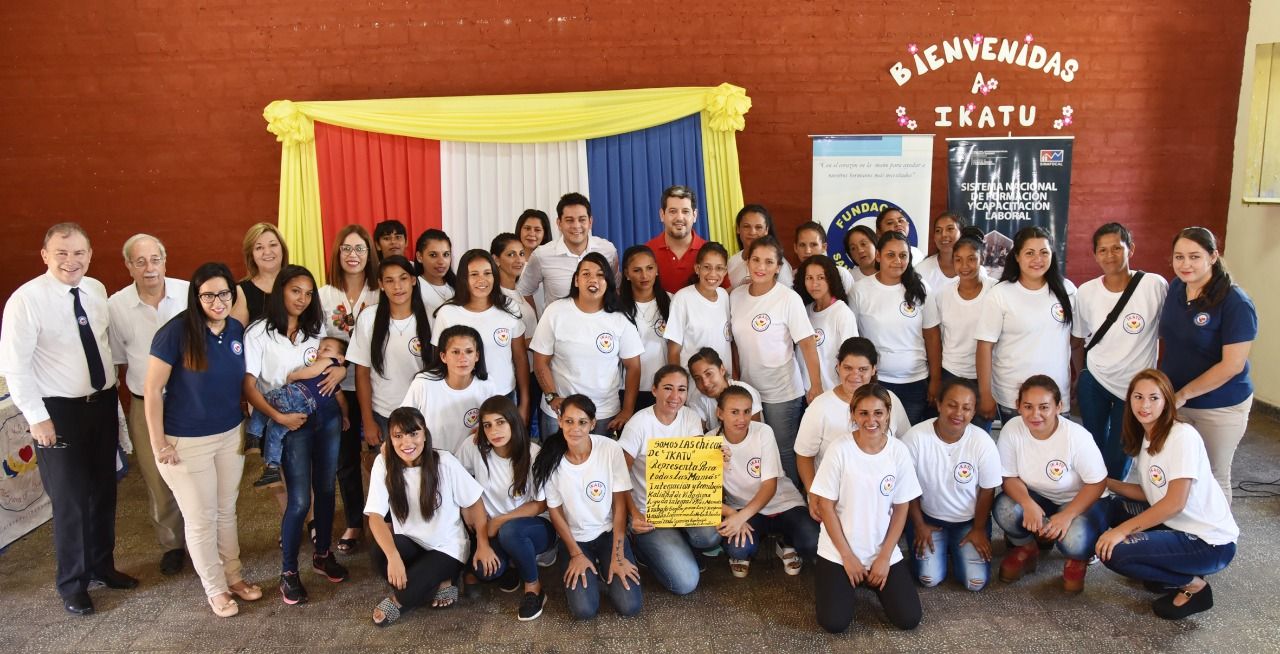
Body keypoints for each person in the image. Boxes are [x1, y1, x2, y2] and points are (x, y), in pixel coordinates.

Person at [0, 223, 137, 616]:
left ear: (90, 254)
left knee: (104, 490)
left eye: (78, 252)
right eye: (61, 253)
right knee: (72, 500)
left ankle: (102, 566)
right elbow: (15, 367)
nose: (70, 261)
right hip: (57, 412)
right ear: (44, 255)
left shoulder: (94, 290)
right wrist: (38, 418)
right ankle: (72, 583)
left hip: (101, 404)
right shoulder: (25, 300)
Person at [144, 262, 262, 617]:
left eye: (223, 293)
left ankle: (234, 578)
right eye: (208, 294)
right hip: (186, 442)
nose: (217, 301)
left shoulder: (235, 329)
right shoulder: (176, 333)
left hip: (229, 435)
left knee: (226, 511)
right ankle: (215, 589)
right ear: (196, 297)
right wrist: (158, 443)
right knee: (201, 518)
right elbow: (151, 390)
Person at [242, 265, 349, 605]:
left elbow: (337, 357)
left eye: (308, 293)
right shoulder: (259, 333)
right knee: (300, 500)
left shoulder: (314, 329)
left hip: (327, 416)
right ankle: (288, 572)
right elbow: (249, 385)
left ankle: (322, 554)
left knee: (327, 489)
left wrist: (342, 367)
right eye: (295, 291)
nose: (302, 299)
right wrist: (279, 418)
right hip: (292, 422)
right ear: (280, 292)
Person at [1096, 369, 1238, 620]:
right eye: (1138, 397)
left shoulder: (1182, 436)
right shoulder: (1146, 434)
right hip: (1177, 526)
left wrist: (1122, 530)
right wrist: (1104, 482)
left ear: (1167, 401)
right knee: (1113, 506)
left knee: (1116, 552)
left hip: (1208, 542)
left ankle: (1193, 584)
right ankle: (1164, 571)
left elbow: (1174, 502)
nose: (1145, 405)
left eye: (1154, 398)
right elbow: (1150, 492)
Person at [107, 233, 189, 575]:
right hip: (144, 403)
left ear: (165, 260)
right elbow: (116, 359)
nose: (149, 268)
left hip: (189, 401)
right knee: (157, 477)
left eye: (155, 259)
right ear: (128, 266)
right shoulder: (116, 307)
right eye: (139, 261)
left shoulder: (188, 293)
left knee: (198, 472)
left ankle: (206, 538)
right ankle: (172, 544)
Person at [810, 383, 922, 632]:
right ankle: (839, 579)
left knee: (908, 619)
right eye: (863, 413)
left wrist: (884, 557)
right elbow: (825, 507)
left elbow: (902, 508)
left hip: (881, 551)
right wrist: (848, 557)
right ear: (853, 414)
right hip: (840, 551)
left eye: (878, 413)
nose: (871, 420)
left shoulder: (898, 452)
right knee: (834, 623)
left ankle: (869, 579)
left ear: (888, 414)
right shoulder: (839, 449)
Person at [365, 407, 490, 627]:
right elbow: (374, 516)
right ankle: (434, 581)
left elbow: (474, 501)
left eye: (414, 433)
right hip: (411, 543)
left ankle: (418, 590)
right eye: (398, 436)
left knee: (406, 595)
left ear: (424, 434)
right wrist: (393, 557)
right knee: (379, 552)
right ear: (390, 439)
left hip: (447, 548)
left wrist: (482, 543)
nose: (407, 443)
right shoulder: (383, 463)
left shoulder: (444, 461)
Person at [1158, 226, 1256, 499]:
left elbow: (1232, 365)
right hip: (1176, 399)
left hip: (1219, 406)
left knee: (1213, 474)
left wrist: (1184, 394)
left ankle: (1220, 540)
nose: (1185, 264)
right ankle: (1180, 535)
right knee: (1177, 471)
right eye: (1179, 257)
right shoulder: (1177, 287)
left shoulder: (1235, 302)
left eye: (1194, 256)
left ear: (1213, 257)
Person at [992, 375, 1108, 593]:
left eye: (1044, 407)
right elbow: (1008, 477)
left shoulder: (1077, 436)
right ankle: (1027, 548)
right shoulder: (1012, 429)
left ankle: (1078, 558)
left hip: (1080, 501)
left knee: (1075, 539)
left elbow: (1097, 483)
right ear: (1018, 406)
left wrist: (1068, 515)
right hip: (1040, 497)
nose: (1035, 415)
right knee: (1005, 508)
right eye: (1028, 406)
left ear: (1059, 407)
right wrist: (1027, 503)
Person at [532, 395, 642, 619]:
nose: (575, 429)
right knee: (584, 610)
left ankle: (606, 566)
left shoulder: (610, 449)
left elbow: (620, 505)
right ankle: (591, 565)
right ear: (560, 421)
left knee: (629, 606)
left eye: (582, 422)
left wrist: (618, 556)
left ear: (593, 424)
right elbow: (555, 512)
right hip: (575, 539)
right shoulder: (550, 459)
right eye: (569, 421)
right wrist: (575, 554)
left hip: (609, 532)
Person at [1074, 223, 1167, 479]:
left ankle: (1112, 499)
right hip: (1095, 380)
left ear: (1131, 249)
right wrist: (1082, 373)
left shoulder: (1153, 285)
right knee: (1091, 447)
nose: (1109, 255)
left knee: (1122, 450)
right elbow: (1078, 340)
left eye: (1117, 248)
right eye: (1102, 250)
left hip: (1134, 387)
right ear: (1094, 255)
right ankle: (1093, 500)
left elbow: (1167, 332)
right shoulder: (1086, 292)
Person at [730, 236, 822, 488]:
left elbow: (806, 343)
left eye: (769, 262)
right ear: (747, 262)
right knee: (756, 450)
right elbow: (735, 344)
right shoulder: (735, 296)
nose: (761, 266)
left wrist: (816, 385)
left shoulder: (787, 298)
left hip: (782, 391)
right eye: (756, 260)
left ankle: (792, 505)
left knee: (783, 450)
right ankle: (767, 507)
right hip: (750, 389)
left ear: (778, 267)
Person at [453, 396, 555, 621]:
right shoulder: (473, 447)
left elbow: (541, 504)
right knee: (485, 570)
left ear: (513, 422)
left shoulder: (533, 452)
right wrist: (479, 538)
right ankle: (510, 564)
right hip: (491, 529)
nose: (494, 431)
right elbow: (453, 476)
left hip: (535, 526)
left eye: (500, 422)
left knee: (511, 531)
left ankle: (534, 588)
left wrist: (500, 520)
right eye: (487, 425)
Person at [618, 366, 718, 596]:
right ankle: (644, 548)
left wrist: (715, 457)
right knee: (686, 583)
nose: (675, 397)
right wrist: (634, 515)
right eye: (668, 388)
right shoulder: (638, 424)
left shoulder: (690, 417)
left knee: (710, 535)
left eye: (681, 389)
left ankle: (680, 541)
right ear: (654, 390)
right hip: (649, 512)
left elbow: (697, 464)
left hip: (683, 505)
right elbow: (619, 478)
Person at [901, 378, 1001, 591]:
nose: (958, 413)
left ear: (974, 412)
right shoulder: (915, 437)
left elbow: (987, 490)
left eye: (966, 408)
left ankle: (954, 548)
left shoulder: (983, 442)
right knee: (929, 579)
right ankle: (944, 548)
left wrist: (979, 528)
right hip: (928, 519)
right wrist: (919, 525)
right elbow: (906, 488)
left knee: (975, 583)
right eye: (952, 405)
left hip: (968, 522)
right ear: (939, 404)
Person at [317, 225, 380, 554]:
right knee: (344, 458)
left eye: (360, 249)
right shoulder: (325, 294)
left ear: (370, 254)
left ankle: (384, 519)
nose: (353, 255)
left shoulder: (381, 291)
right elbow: (316, 342)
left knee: (381, 458)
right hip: (336, 388)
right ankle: (354, 521)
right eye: (346, 248)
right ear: (337, 253)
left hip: (375, 386)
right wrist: (339, 360)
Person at [531, 253, 643, 438]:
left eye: (600, 275)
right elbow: (540, 361)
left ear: (608, 282)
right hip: (559, 413)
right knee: (553, 464)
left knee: (598, 465)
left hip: (603, 414)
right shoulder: (556, 311)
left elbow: (634, 367)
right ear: (576, 281)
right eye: (586, 274)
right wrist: (551, 396)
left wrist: (627, 410)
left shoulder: (620, 319)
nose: (594, 279)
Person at [975, 226, 1079, 423]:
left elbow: (1075, 341)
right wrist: (985, 394)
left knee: (1054, 453)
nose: (1037, 259)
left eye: (1044, 252)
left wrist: (1078, 379)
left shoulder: (1067, 290)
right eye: (1029, 253)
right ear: (1017, 256)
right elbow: (984, 346)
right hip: (1013, 396)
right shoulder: (1000, 294)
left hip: (1056, 395)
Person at [795, 337, 910, 514]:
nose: (855, 375)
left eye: (863, 369)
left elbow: (904, 444)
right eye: (848, 368)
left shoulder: (890, 400)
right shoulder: (820, 406)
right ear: (838, 367)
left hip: (882, 496)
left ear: (874, 369)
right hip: (836, 498)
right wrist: (813, 494)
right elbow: (804, 455)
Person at [715, 386, 819, 579]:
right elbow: (703, 494)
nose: (742, 419)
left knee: (812, 541)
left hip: (783, 502)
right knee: (738, 549)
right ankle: (751, 546)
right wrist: (733, 515)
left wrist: (740, 518)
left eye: (747, 411)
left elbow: (769, 486)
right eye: (734, 412)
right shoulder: (709, 441)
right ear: (719, 413)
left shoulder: (763, 432)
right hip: (743, 507)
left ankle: (787, 542)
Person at [432, 250, 531, 420]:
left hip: (503, 396)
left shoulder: (509, 307)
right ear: (464, 278)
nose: (481, 280)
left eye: (487, 273)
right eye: (474, 274)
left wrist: (525, 402)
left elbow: (520, 358)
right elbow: (438, 363)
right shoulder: (447, 313)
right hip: (461, 399)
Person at [850, 232, 934, 424]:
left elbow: (932, 336)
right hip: (876, 382)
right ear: (878, 256)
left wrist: (935, 379)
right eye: (890, 255)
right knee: (876, 437)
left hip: (915, 382)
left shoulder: (921, 289)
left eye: (903, 255)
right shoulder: (860, 290)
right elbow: (853, 339)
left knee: (908, 441)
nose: (897, 260)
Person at [246, 337, 350, 488]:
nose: (319, 351)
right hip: (303, 410)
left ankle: (254, 436)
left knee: (263, 402)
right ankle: (272, 469)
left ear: (340, 358)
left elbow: (311, 371)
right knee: (276, 432)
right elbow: (342, 401)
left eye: (326, 349)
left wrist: (293, 376)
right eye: (319, 348)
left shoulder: (330, 362)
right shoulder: (334, 385)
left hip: (294, 394)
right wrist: (345, 416)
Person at [349, 256, 431, 448]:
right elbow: (362, 374)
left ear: (413, 280)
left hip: (424, 412)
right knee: (389, 476)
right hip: (384, 415)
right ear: (381, 285)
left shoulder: (432, 316)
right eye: (389, 280)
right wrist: (368, 421)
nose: (397, 286)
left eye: (403, 278)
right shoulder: (368, 318)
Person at [923, 227, 995, 431]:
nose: (965, 266)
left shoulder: (996, 291)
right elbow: (937, 338)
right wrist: (936, 378)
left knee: (979, 434)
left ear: (982, 258)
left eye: (971, 259)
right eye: (958, 259)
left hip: (985, 378)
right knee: (950, 431)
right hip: (951, 373)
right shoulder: (943, 295)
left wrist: (987, 390)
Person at [401, 325, 503, 454]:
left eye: (469, 351)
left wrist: (483, 430)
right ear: (443, 357)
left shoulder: (487, 385)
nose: (463, 358)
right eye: (455, 352)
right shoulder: (423, 383)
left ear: (477, 356)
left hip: (470, 465)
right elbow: (402, 421)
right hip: (432, 461)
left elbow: (499, 421)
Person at [517, 193, 619, 311]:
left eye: (582, 220)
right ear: (559, 223)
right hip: (560, 328)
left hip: (601, 326)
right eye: (569, 220)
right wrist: (537, 322)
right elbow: (524, 291)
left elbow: (615, 288)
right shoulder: (541, 255)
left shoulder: (608, 250)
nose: (576, 226)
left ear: (590, 222)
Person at [664, 242, 733, 379]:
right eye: (707, 267)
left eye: (719, 268)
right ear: (697, 268)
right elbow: (673, 351)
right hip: (694, 386)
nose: (713, 273)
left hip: (723, 383)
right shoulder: (683, 298)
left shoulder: (724, 296)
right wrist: (679, 385)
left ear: (725, 271)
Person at [618, 245, 672, 413]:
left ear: (656, 269)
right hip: (626, 391)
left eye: (649, 268)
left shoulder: (672, 301)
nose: (644, 276)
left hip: (664, 389)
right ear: (627, 274)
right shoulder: (617, 308)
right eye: (637, 270)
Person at [796, 254, 858, 393]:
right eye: (809, 278)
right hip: (806, 392)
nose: (814, 284)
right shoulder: (804, 311)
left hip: (834, 392)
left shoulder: (842, 312)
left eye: (821, 277)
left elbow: (851, 357)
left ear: (830, 279)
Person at [646, 185, 714, 294]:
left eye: (685, 211)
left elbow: (723, 293)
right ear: (662, 215)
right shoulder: (647, 252)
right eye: (673, 211)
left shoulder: (712, 253)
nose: (679, 218)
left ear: (695, 215)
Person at [686, 348, 763, 432]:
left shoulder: (745, 391)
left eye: (709, 374)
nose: (705, 383)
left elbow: (754, 432)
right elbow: (696, 434)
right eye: (697, 378)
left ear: (722, 369)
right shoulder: (697, 400)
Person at [231, 222, 288, 326]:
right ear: (251, 255)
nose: (267, 252)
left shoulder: (299, 281)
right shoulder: (241, 292)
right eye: (259, 247)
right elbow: (236, 338)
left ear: (283, 249)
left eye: (273, 245)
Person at [727, 204, 794, 288]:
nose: (752, 232)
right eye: (746, 226)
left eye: (758, 227)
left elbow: (786, 295)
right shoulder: (731, 262)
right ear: (738, 229)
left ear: (766, 230)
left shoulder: (779, 264)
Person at [795, 221, 855, 297]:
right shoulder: (792, 277)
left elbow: (851, 306)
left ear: (824, 247)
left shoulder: (841, 274)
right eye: (802, 245)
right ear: (795, 248)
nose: (807, 251)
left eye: (813, 245)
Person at [914, 211, 966, 291]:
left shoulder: (974, 269)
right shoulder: (921, 270)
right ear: (934, 237)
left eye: (950, 229)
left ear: (961, 234)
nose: (944, 234)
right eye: (938, 230)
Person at [414, 228, 456, 325]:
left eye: (446, 254)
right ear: (419, 257)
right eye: (433, 255)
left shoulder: (459, 285)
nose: (441, 262)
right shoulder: (413, 288)